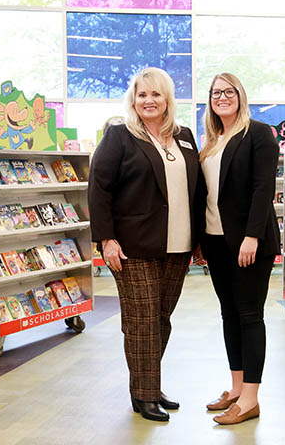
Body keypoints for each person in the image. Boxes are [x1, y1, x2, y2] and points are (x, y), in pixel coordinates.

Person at [88, 67, 202, 422]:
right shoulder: (119, 136)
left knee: (161, 320)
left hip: (179, 245)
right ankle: (144, 394)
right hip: (132, 246)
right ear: (133, 100)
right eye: (142, 95)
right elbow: (99, 188)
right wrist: (106, 239)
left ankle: (148, 383)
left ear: (168, 98)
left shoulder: (183, 136)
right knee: (141, 322)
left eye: (155, 94)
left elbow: (195, 189)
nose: (148, 101)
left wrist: (198, 239)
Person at [198, 72, 280, 425]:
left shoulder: (258, 134)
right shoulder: (212, 140)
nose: (222, 97)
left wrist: (252, 236)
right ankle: (234, 388)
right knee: (229, 314)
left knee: (249, 315)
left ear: (240, 96)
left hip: (248, 242)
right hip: (215, 240)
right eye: (216, 93)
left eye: (229, 91)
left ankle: (250, 398)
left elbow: (264, 189)